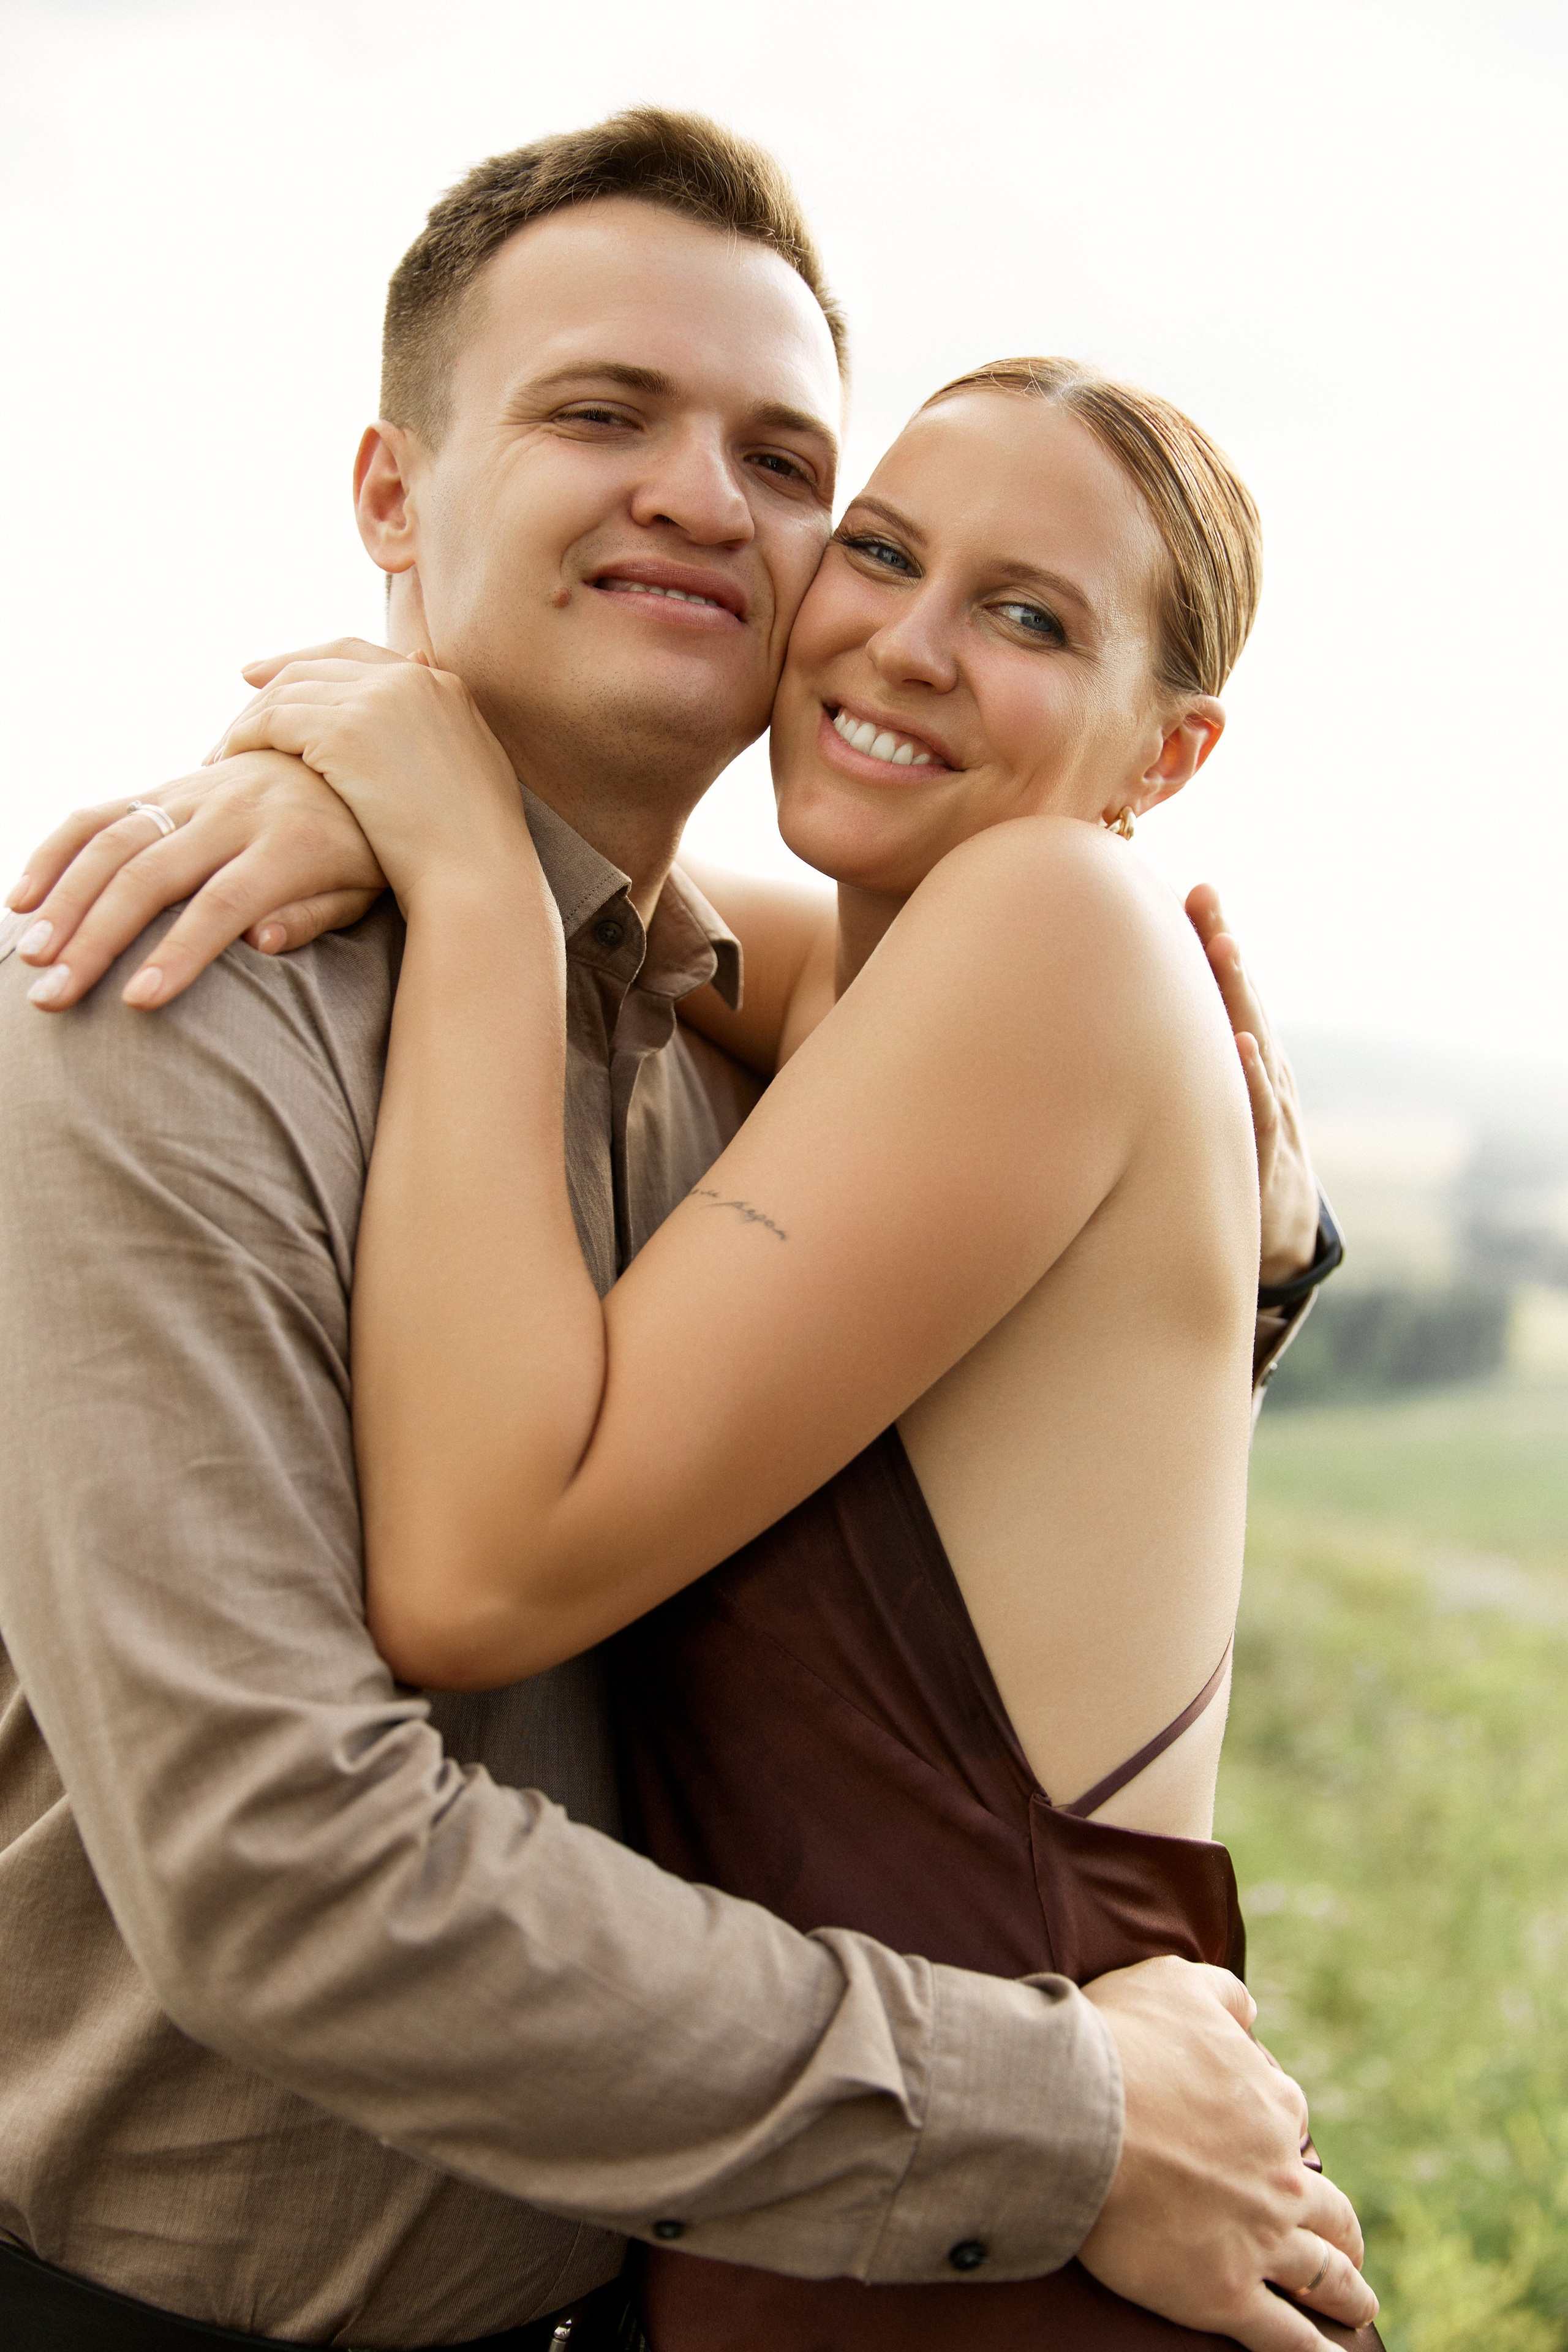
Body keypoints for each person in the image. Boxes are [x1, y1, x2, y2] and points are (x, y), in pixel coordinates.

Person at [0, 114, 1349, 2352]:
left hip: (805, 2277)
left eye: (783, 460)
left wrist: (1245, 1249)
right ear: (392, 496)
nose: (707, 502)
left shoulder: (727, 1031)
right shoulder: (175, 1016)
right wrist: (1066, 2118)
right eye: (601, 414)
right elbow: (284, 1872)